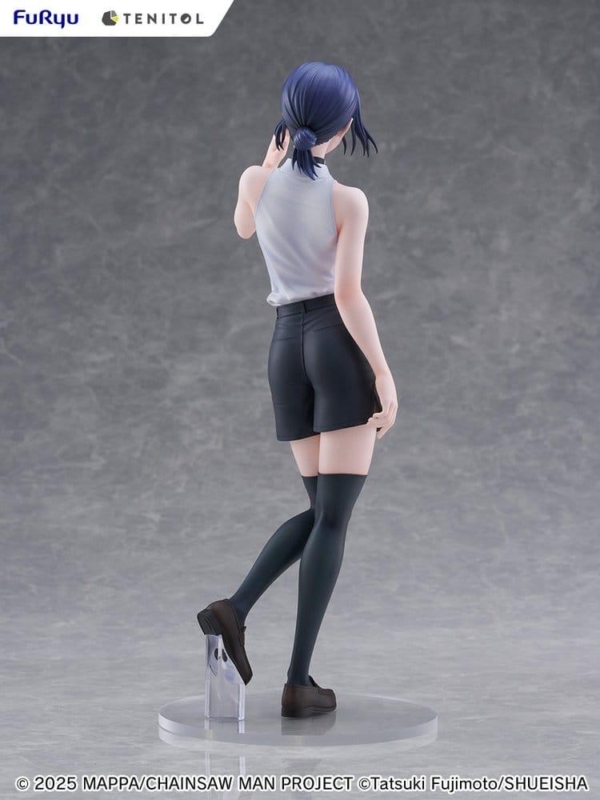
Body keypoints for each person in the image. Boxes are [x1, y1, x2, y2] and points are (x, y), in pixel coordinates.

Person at [197, 61, 398, 718]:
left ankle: (236, 611)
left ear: (287, 119)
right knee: (333, 518)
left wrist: (267, 163)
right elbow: (348, 294)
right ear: (343, 128)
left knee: (320, 512)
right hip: (334, 347)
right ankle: (296, 680)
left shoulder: (255, 181)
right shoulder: (348, 200)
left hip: (284, 348)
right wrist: (382, 372)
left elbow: (243, 227)